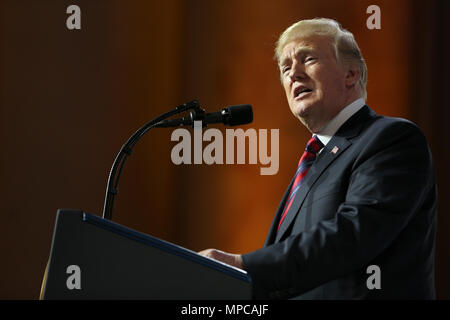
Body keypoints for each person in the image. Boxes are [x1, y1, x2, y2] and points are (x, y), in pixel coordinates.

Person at [199, 18, 437, 299]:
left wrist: (244, 265)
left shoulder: (391, 139)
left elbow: (352, 235)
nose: (293, 74)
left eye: (307, 58)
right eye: (285, 68)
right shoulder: (315, 160)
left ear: (351, 74)